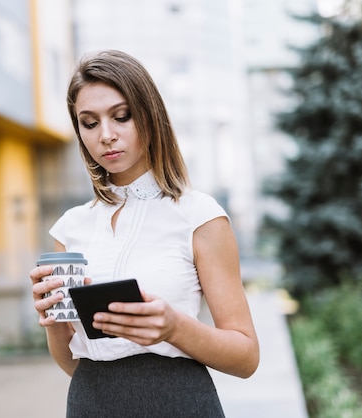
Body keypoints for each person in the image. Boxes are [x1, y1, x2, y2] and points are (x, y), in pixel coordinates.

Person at [30, 50, 259, 417]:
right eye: (89, 123)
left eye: (122, 116)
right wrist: (52, 322)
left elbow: (246, 357)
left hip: (178, 403)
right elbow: (72, 361)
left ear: (150, 117)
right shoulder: (71, 228)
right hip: (91, 403)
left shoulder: (199, 216)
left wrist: (174, 328)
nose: (106, 135)